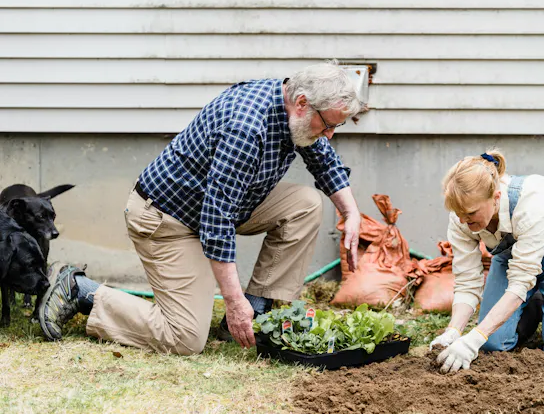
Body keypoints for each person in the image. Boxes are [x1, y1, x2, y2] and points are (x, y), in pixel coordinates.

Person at [37, 61, 363, 355]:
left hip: (222, 205)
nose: (330, 135)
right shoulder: (247, 127)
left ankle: (259, 310)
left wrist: (350, 214)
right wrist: (232, 303)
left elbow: (321, 156)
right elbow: (216, 219)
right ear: (303, 104)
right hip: (167, 220)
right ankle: (81, 290)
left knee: (305, 205)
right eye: (328, 124)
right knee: (186, 337)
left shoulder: (293, 104)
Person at [431, 150, 544, 374]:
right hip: (512, 259)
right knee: (492, 345)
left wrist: (473, 339)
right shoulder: (462, 217)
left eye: (470, 213)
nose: (463, 220)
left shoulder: (531, 205)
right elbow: (467, 281)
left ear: (496, 198)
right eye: (458, 213)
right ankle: (540, 301)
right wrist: (454, 331)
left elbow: (520, 283)